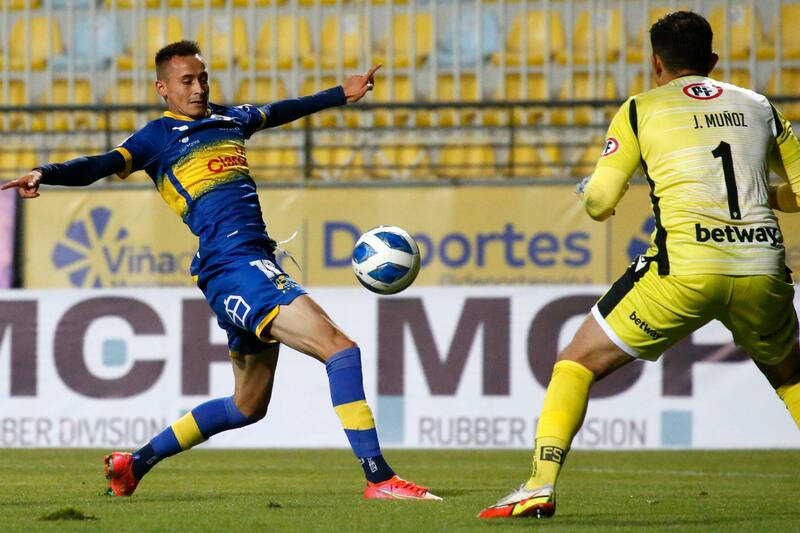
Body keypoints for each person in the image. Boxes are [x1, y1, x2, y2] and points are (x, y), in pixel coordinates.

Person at [2, 40, 441, 501]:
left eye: (203, 78)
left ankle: (133, 464)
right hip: (234, 264)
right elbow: (100, 164)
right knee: (340, 349)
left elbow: (280, 110)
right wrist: (45, 172)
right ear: (163, 89)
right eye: (186, 81)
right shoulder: (157, 137)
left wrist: (341, 93)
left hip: (245, 265)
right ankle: (379, 479)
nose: (198, 88)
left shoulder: (229, 119)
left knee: (247, 406)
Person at [478, 11, 800, 519]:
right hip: (763, 265)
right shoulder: (759, 106)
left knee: (576, 362)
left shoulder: (640, 109)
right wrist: (769, 196)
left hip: (685, 268)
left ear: (655, 63)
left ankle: (539, 483)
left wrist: (593, 198)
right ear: (712, 61)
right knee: (789, 377)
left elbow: (603, 197)